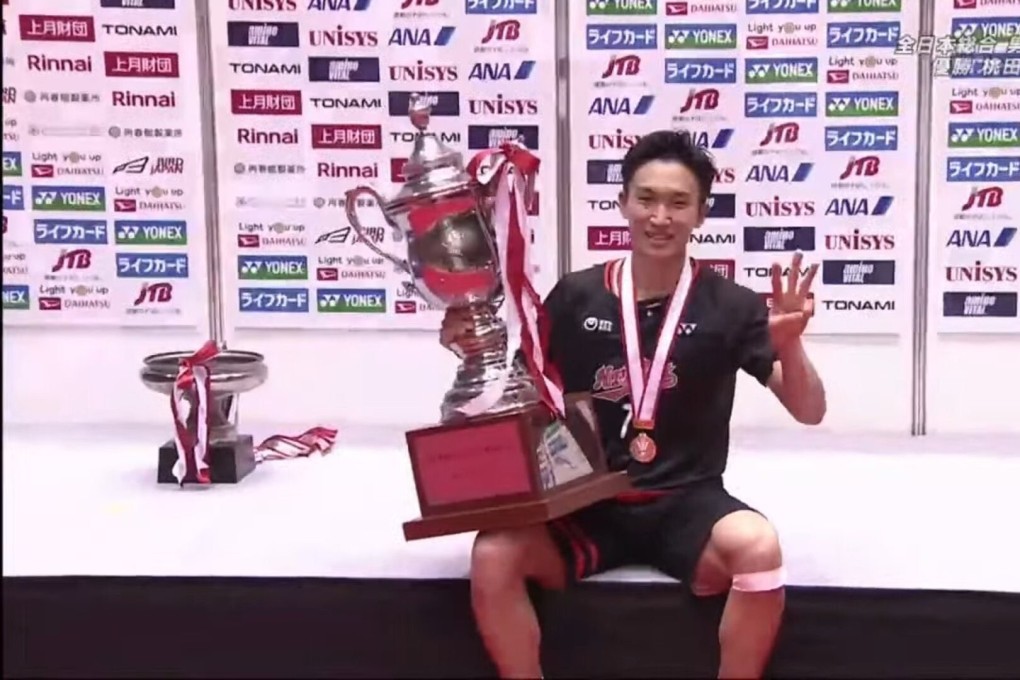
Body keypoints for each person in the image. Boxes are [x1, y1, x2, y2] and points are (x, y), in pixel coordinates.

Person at [439, 130, 826, 679]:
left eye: (677, 202)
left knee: (759, 550)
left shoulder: (731, 305)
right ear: (622, 203)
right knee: (493, 553)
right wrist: (473, 349)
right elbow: (518, 391)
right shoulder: (577, 296)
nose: (660, 216)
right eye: (646, 198)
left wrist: (790, 342)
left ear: (701, 214)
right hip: (587, 502)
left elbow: (809, 410)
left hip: (687, 502)